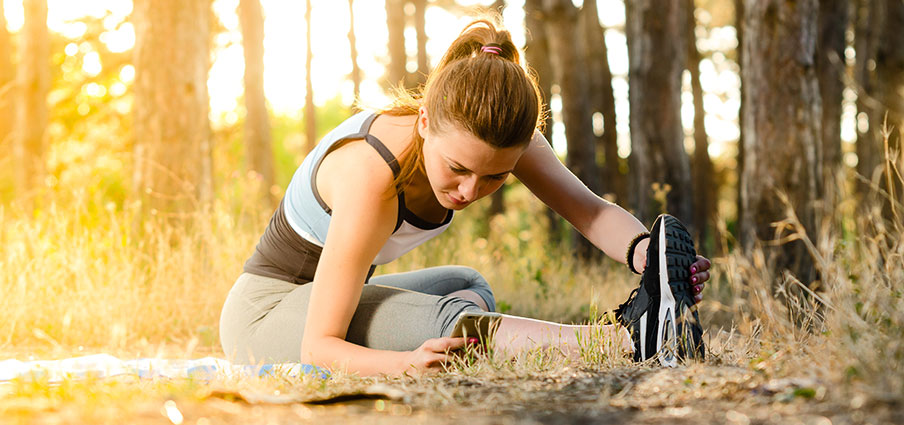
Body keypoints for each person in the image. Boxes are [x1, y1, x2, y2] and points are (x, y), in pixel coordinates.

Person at [219, 19, 712, 375]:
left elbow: (592, 212)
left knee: (467, 283)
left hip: (327, 300)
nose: (471, 191)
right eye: (458, 169)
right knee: (452, 324)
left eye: (495, 177)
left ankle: (647, 325)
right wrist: (402, 363)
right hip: (265, 318)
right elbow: (318, 347)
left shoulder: (498, 135)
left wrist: (649, 257)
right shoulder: (371, 175)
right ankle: (624, 341)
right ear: (425, 122)